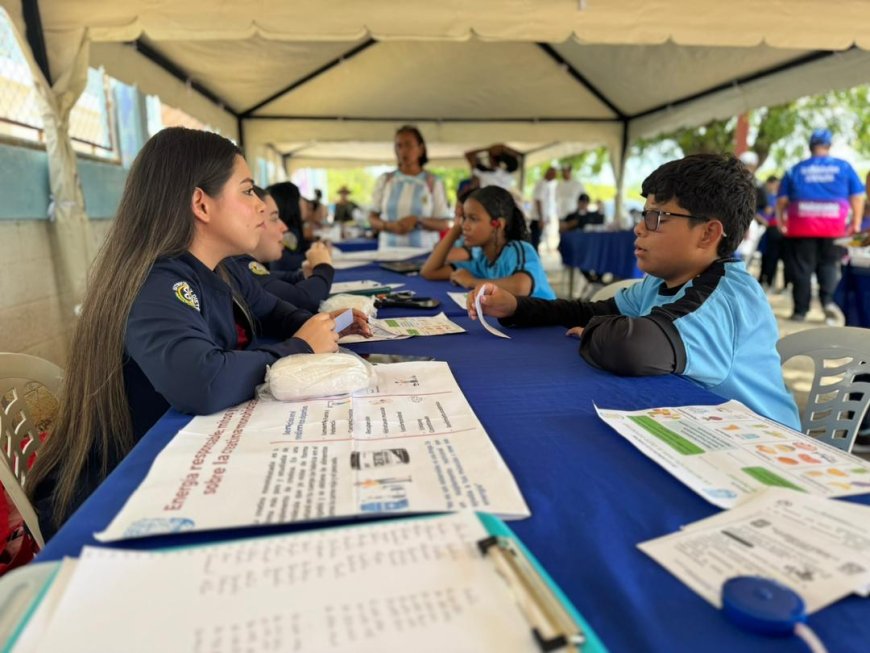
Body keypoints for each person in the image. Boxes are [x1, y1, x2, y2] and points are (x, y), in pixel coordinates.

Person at [27, 128, 371, 539]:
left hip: (181, 463)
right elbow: (201, 381)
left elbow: (279, 314)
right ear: (200, 204)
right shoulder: (156, 281)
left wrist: (328, 325)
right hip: (118, 505)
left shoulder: (220, 270)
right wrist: (299, 348)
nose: (262, 206)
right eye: (247, 192)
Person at [468, 154, 800, 429]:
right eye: (644, 215)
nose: (639, 228)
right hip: (700, 427)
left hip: (764, 448)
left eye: (657, 217)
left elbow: (631, 347)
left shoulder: (724, 297)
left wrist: (599, 331)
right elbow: (591, 312)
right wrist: (518, 308)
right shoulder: (660, 282)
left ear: (707, 233)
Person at [777, 128, 865, 323]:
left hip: (801, 227)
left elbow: (782, 201)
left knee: (802, 269)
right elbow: (857, 196)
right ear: (829, 145)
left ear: (810, 146)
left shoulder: (796, 169)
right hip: (834, 227)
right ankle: (828, 305)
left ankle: (800, 311)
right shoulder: (843, 167)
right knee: (830, 266)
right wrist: (856, 222)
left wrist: (781, 222)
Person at [421, 186, 556, 299]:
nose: (465, 225)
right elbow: (430, 272)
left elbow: (521, 286)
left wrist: (471, 282)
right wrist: (455, 230)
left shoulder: (519, 249)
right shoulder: (483, 260)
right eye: (464, 218)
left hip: (551, 326)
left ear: (498, 224)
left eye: (473, 219)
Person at [235, 186, 335, 312]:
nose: (284, 227)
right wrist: (323, 267)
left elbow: (274, 277)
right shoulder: (239, 268)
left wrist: (303, 275)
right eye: (274, 218)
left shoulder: (240, 265)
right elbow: (304, 300)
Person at [368, 125, 450, 249]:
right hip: (388, 252)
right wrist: (389, 226)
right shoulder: (385, 180)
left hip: (424, 253)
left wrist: (418, 221)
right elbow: (372, 217)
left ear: (421, 149)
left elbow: (444, 223)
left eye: (409, 145)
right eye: (399, 146)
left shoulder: (432, 182)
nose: (403, 151)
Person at [266, 181, 310, 272]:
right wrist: (313, 255)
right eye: (300, 197)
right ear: (291, 203)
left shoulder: (292, 229)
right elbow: (282, 262)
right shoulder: (286, 232)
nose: (306, 203)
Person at [530, 166, 556, 252]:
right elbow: (538, 201)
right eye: (553, 174)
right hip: (537, 218)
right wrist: (541, 218)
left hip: (540, 218)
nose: (554, 177)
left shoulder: (546, 184)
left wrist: (546, 218)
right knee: (535, 241)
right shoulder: (542, 184)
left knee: (537, 240)